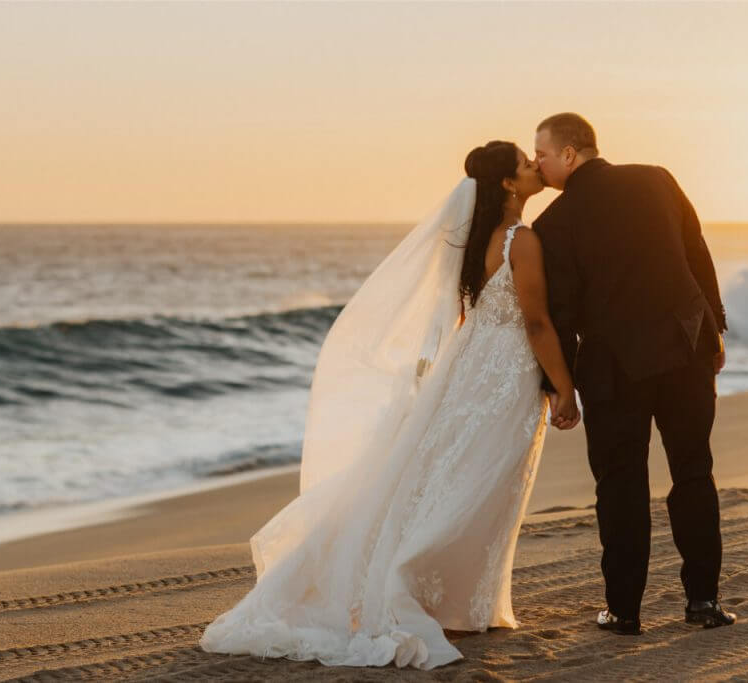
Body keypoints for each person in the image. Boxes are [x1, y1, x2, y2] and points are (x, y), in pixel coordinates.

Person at [199, 141, 578, 669]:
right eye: (525, 163)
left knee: (455, 474)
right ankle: (428, 591)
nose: (536, 166)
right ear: (509, 185)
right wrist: (564, 386)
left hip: (470, 365)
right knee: (484, 479)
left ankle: (457, 598)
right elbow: (536, 322)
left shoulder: (474, 240)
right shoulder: (523, 240)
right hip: (505, 370)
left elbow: (472, 315)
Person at [532, 112, 736, 636]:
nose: (539, 163)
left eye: (543, 154)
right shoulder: (657, 178)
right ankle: (704, 603)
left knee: (620, 487)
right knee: (694, 472)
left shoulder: (553, 224)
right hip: (686, 350)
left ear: (571, 153)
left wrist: (559, 386)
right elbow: (697, 254)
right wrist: (714, 330)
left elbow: (562, 313)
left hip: (613, 371)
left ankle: (624, 611)